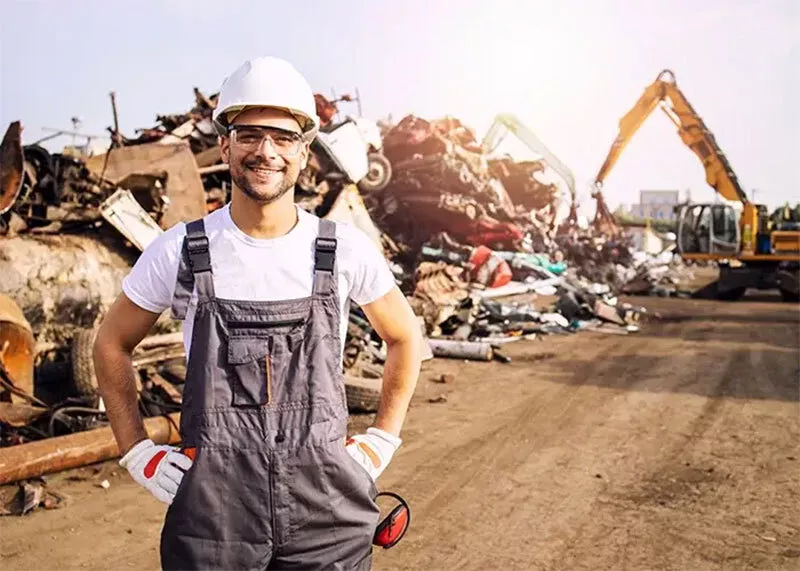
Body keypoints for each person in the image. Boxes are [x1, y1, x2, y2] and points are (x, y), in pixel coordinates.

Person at [93, 56, 422, 570]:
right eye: (249, 135)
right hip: (213, 519)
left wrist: (381, 438)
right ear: (224, 143)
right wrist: (136, 451)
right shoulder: (180, 250)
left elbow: (405, 338)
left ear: (304, 150)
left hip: (327, 515)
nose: (265, 151)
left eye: (283, 137)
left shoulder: (342, 250)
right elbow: (109, 343)